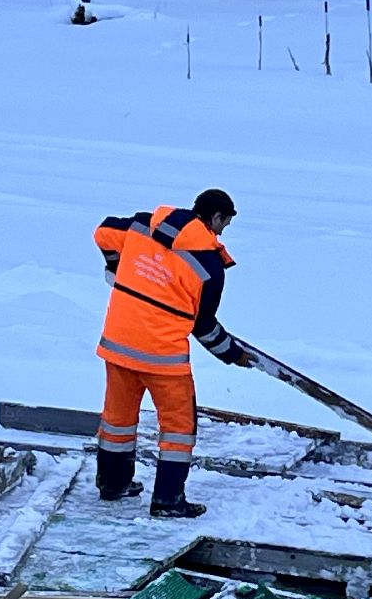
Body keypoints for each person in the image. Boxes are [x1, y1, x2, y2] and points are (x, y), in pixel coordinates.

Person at [92, 188, 253, 519]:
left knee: (117, 420)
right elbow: (203, 326)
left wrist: (116, 267)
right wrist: (232, 354)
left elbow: (103, 232)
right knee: (179, 429)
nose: (223, 232)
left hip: (119, 345)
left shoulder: (142, 226)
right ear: (217, 218)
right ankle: (167, 500)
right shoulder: (209, 265)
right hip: (163, 359)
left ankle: (113, 484)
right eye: (225, 223)